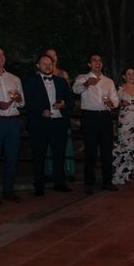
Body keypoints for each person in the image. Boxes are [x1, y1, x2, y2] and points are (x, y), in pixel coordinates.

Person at [23, 54, 74, 196]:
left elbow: (70, 101)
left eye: (50, 64)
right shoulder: (30, 81)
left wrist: (63, 103)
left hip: (59, 123)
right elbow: (26, 102)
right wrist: (41, 111)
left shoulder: (61, 81)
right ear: (38, 66)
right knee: (39, 155)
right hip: (40, 124)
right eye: (44, 64)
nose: (47, 66)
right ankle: (39, 185)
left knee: (59, 154)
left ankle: (60, 182)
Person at [72, 54, 120, 193]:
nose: (97, 63)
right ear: (89, 64)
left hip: (105, 116)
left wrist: (111, 103)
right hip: (89, 117)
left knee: (106, 150)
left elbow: (115, 100)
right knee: (90, 151)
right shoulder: (82, 78)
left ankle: (107, 181)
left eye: (99, 61)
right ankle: (89, 183)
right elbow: (75, 89)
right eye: (94, 61)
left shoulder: (109, 81)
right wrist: (87, 84)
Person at [44, 48, 75, 182]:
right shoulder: (39, 74)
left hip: (61, 115)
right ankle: (49, 173)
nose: (52, 58)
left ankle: (67, 172)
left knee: (64, 146)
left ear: (57, 58)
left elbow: (70, 97)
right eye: (49, 56)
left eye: (54, 56)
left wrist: (63, 103)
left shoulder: (63, 74)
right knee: (47, 147)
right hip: (46, 116)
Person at [0, 48, 25, 203]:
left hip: (13, 122)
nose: (1, 58)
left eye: (2, 55)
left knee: (12, 157)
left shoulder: (14, 78)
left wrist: (19, 98)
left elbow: (22, 103)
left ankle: (8, 190)